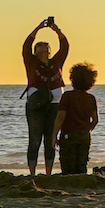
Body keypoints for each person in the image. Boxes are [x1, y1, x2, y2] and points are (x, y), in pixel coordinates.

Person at [21, 17, 69, 175]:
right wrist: (39, 27)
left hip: (55, 105)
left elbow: (65, 47)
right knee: (34, 140)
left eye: (46, 47)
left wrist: (56, 30)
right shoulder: (32, 62)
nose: (44, 49)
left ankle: (48, 172)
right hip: (36, 105)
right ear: (36, 51)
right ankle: (32, 173)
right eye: (41, 47)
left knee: (50, 140)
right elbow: (26, 46)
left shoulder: (56, 63)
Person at [56, 63, 99, 175]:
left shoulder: (67, 96)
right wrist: (87, 129)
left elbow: (60, 117)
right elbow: (95, 120)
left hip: (68, 134)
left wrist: (53, 135)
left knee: (67, 166)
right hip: (84, 134)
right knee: (81, 165)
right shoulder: (90, 98)